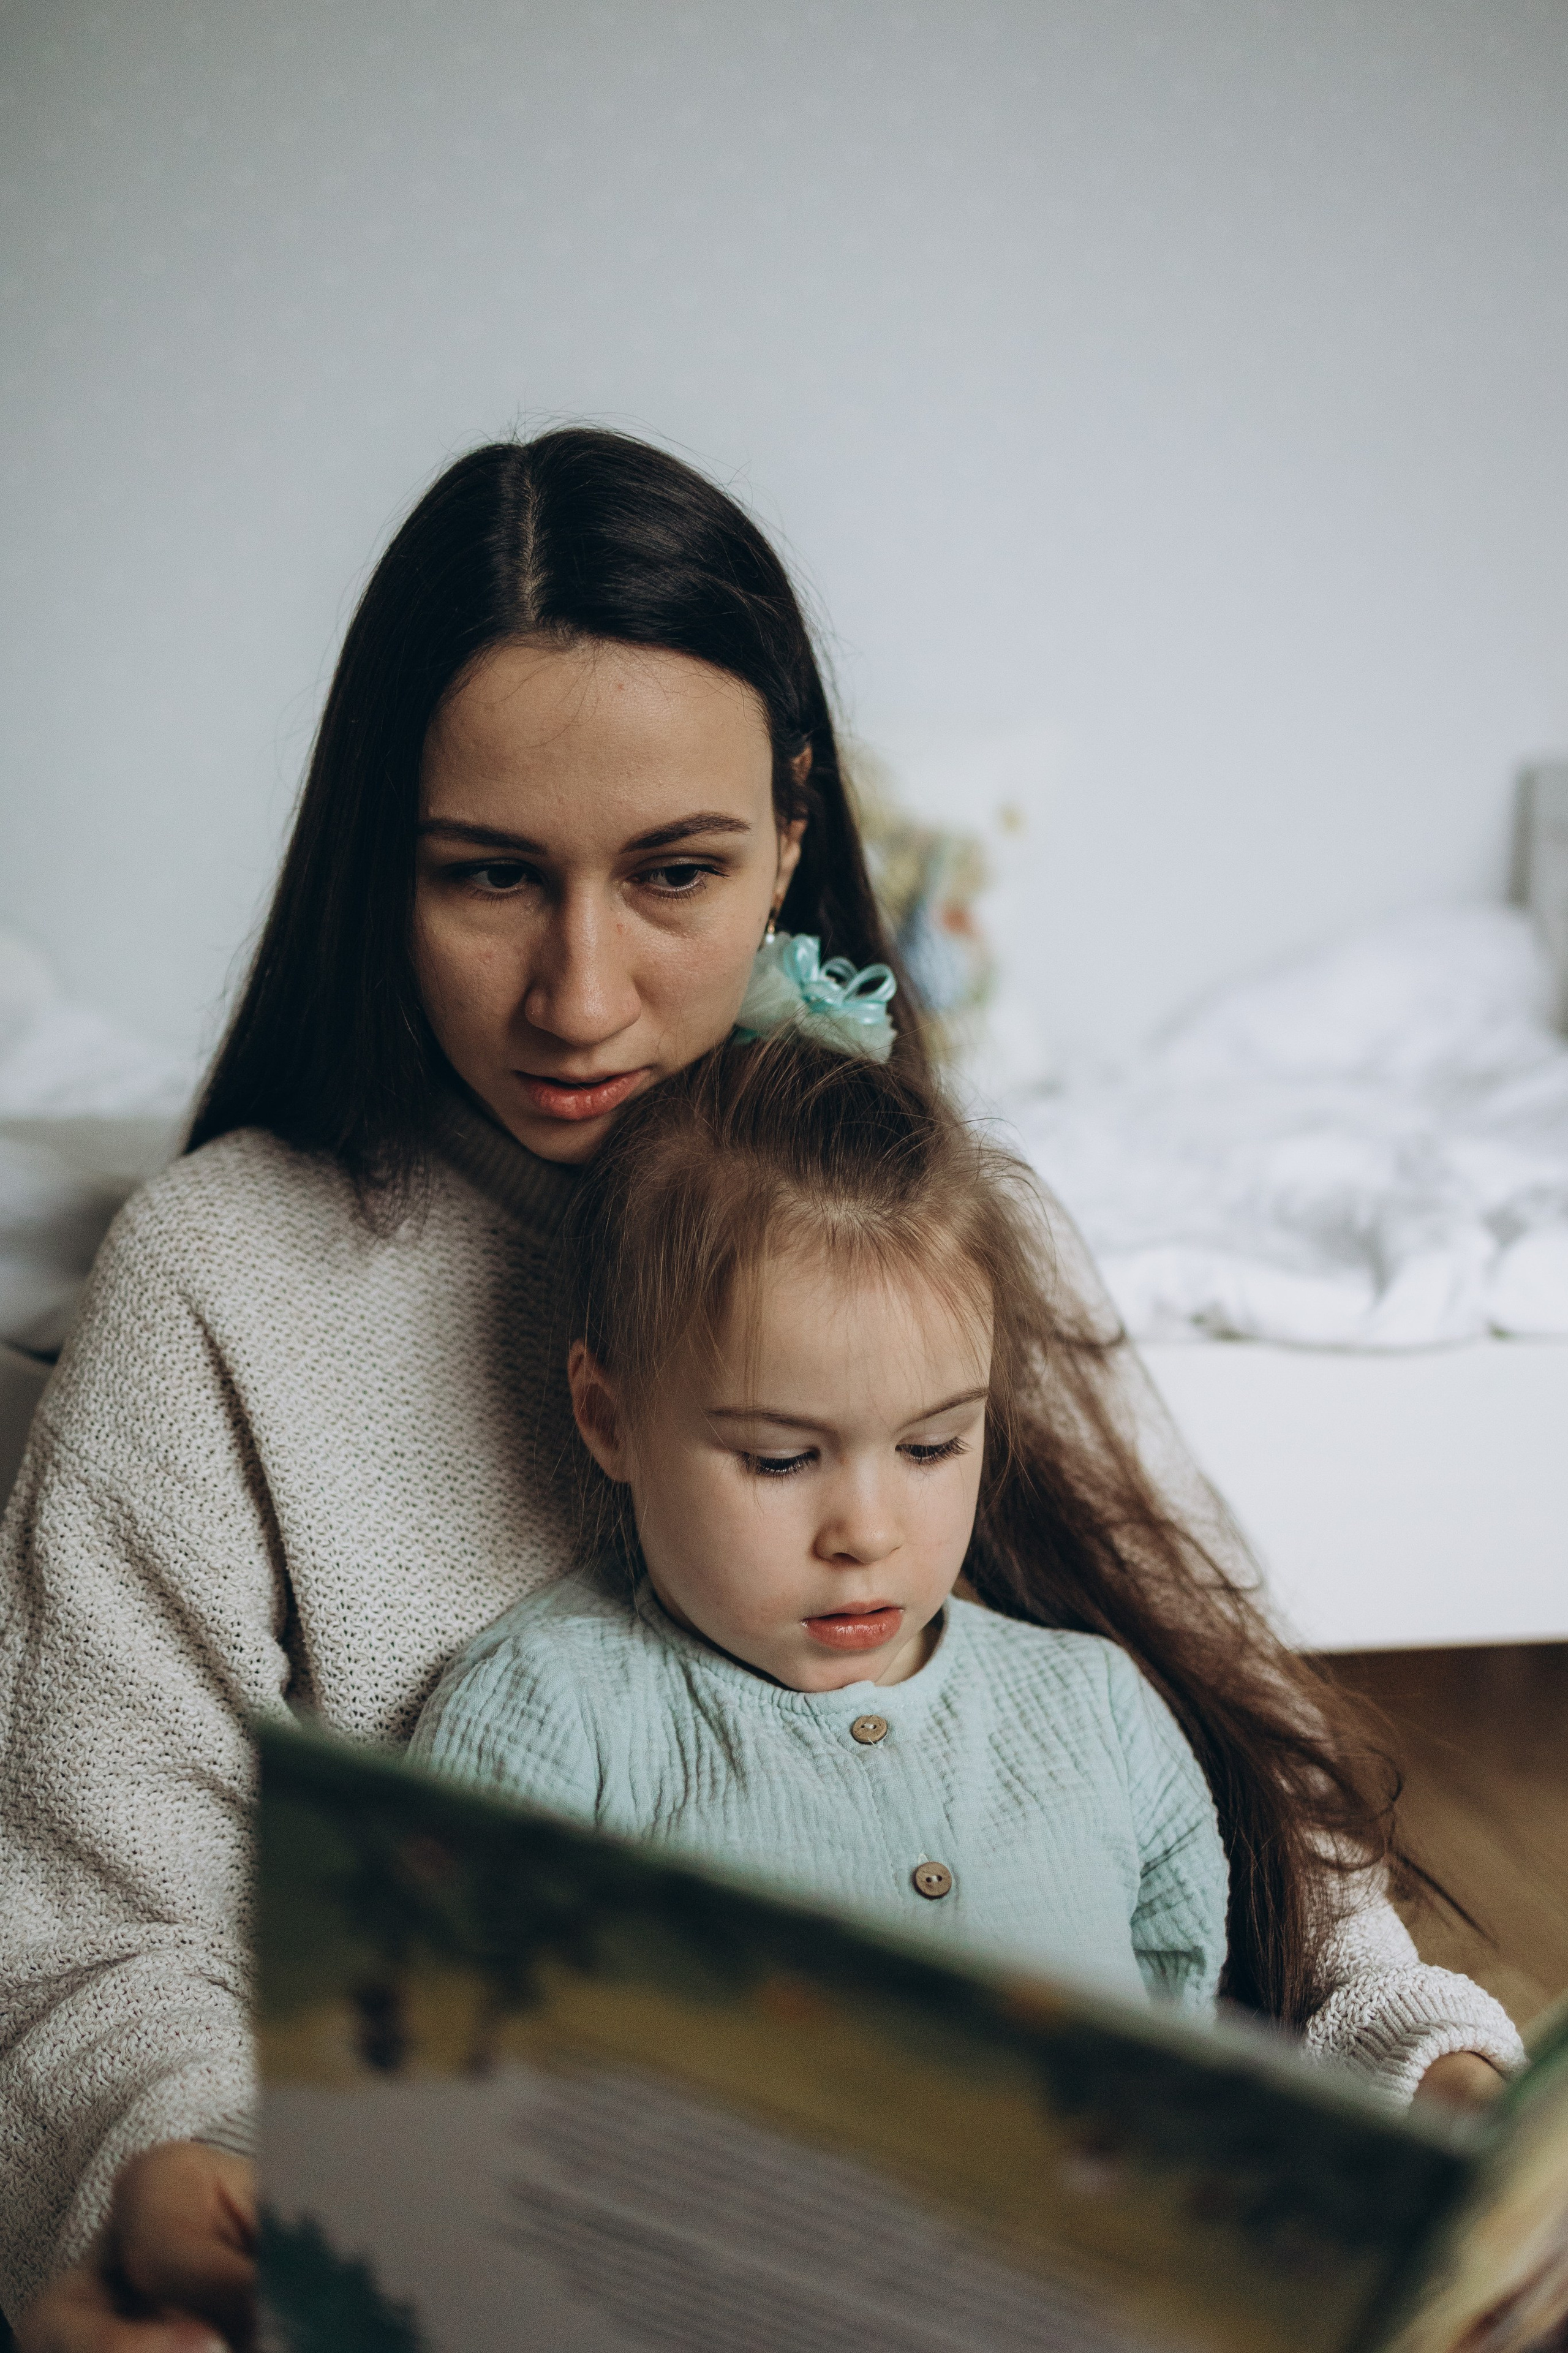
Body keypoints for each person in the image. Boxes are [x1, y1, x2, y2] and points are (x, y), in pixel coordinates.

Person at [0, 430, 1518, 2353]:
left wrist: (1429, 2088)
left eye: (675, 874)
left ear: (793, 831)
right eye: (486, 877)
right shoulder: (223, 1281)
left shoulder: (959, 1233)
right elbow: (95, 1929)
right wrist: (185, 2169)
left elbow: (1230, 1775)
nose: (579, 993)